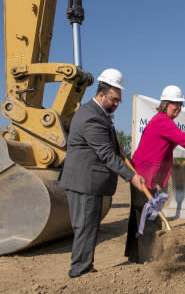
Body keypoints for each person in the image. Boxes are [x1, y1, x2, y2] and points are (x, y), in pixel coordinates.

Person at [60, 68, 145, 278]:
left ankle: (84, 265)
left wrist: (118, 147)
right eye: (114, 100)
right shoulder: (91, 116)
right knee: (85, 227)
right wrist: (131, 176)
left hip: (88, 181)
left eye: (119, 100)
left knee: (89, 226)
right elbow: (105, 154)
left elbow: (108, 147)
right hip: (84, 181)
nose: (117, 104)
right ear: (101, 94)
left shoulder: (100, 114)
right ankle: (80, 269)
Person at [124, 85, 185, 263]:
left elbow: (174, 140)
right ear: (165, 104)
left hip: (144, 173)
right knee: (149, 217)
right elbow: (183, 139)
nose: (178, 108)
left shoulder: (162, 121)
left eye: (180, 104)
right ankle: (148, 257)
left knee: (140, 216)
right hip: (143, 175)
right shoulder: (162, 121)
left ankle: (136, 256)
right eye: (174, 104)